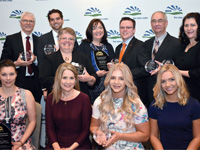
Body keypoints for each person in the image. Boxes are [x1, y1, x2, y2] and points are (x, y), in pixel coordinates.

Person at [90, 63, 149, 150]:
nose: (116, 82)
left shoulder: (136, 104)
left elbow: (145, 136)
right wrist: (98, 132)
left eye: (121, 78)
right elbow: (93, 126)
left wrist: (121, 136)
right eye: (113, 78)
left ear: (127, 81)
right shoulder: (100, 101)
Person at [149, 64, 200, 150]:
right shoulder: (155, 106)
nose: (167, 85)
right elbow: (153, 136)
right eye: (163, 81)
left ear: (178, 80)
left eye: (172, 79)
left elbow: (198, 137)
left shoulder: (194, 104)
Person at [39, 27, 97, 100]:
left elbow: (94, 78)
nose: (67, 41)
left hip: (80, 99)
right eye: (64, 38)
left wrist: (89, 78)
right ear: (59, 40)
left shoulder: (83, 57)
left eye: (70, 39)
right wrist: (63, 80)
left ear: (74, 41)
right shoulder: (50, 58)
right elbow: (44, 80)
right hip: (58, 99)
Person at [139, 11, 182, 107]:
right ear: (151, 24)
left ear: (166, 23)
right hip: (149, 94)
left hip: (168, 92)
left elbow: (179, 68)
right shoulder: (146, 44)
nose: (156, 24)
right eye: (154, 21)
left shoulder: (177, 44)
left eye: (160, 21)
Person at [45, 63, 92, 150]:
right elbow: (49, 128)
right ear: (58, 79)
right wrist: (57, 148)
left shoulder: (84, 99)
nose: (68, 82)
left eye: (71, 78)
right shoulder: (50, 98)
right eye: (64, 78)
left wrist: (70, 149)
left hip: (79, 145)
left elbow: (85, 130)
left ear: (75, 80)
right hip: (55, 145)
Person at [0, 11, 42, 103]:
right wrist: (16, 64)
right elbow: (3, 62)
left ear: (34, 24)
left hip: (35, 84)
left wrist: (35, 60)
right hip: (17, 82)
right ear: (20, 23)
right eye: (25, 20)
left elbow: (44, 63)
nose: (28, 23)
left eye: (31, 21)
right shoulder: (11, 39)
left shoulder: (39, 40)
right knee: (18, 113)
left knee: (34, 113)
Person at [0, 59, 36, 150]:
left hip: (21, 142)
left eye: (11, 74)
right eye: (4, 74)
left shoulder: (26, 94)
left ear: (16, 74)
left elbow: (32, 122)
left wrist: (21, 142)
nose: (8, 78)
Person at [78, 18, 114, 104]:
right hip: (91, 86)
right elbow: (80, 68)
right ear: (90, 31)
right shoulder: (84, 46)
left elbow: (113, 64)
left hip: (108, 87)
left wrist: (112, 67)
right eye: (94, 28)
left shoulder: (108, 46)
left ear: (104, 30)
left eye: (100, 28)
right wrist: (96, 75)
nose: (98, 30)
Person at [114, 17, 148, 105]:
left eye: (128, 27)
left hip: (134, 92)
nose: (125, 30)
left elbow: (145, 69)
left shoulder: (141, 46)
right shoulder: (118, 48)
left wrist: (125, 74)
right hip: (120, 92)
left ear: (134, 30)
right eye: (122, 27)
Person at [176, 12, 200, 102]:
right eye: (186, 25)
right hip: (182, 95)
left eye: (192, 25)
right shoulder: (182, 46)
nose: (189, 28)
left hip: (197, 96)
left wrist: (179, 72)